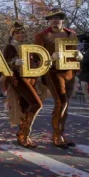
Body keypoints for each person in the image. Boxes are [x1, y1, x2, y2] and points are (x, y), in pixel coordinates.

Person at [34, 8, 83, 148]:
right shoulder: (41, 36)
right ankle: (57, 135)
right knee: (61, 101)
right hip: (53, 71)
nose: (55, 20)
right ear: (48, 21)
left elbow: (74, 51)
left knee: (66, 103)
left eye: (58, 18)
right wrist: (50, 57)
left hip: (69, 72)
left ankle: (61, 132)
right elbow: (36, 56)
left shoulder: (71, 34)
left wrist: (79, 55)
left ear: (62, 20)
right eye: (51, 18)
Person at [3, 22, 43, 148]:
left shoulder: (29, 47)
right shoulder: (10, 47)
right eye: (18, 33)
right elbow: (3, 64)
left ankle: (23, 136)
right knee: (36, 104)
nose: (21, 35)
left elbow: (37, 61)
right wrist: (14, 62)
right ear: (13, 34)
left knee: (26, 106)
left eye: (22, 32)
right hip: (17, 78)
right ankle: (24, 133)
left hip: (30, 78)